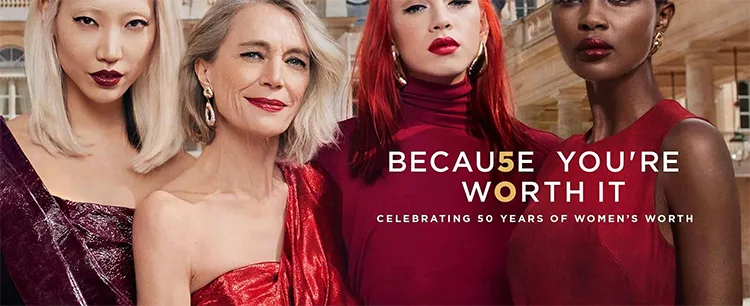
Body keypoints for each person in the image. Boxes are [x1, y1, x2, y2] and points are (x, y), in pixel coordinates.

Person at [315, 0, 561, 304]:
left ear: (483, 24)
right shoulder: (333, 157)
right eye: (416, 7)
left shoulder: (546, 160)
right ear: (388, 32)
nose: (441, 20)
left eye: (458, 2)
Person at [507, 0, 741, 304]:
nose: (591, 18)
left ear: (662, 18)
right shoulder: (557, 160)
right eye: (569, 0)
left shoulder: (689, 145)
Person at [132, 0, 356, 304]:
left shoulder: (319, 192)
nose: (275, 78)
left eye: (295, 61)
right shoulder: (169, 217)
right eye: (253, 54)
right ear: (204, 72)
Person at [0, 0, 192, 304]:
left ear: (158, 31)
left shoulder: (193, 181)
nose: (110, 51)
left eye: (135, 24)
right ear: (48, 13)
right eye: (87, 21)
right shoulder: (5, 158)